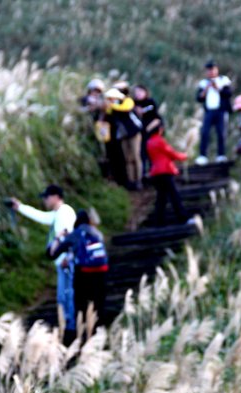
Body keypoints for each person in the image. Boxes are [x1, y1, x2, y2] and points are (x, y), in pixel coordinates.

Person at [9, 185, 77, 334]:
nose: (45, 200)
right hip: (63, 261)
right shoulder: (58, 213)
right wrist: (20, 207)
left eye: (46, 197)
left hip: (67, 261)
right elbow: (41, 216)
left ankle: (71, 327)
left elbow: (65, 235)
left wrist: (66, 256)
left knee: (67, 294)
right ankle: (68, 324)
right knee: (63, 295)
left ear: (55, 197)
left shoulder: (64, 212)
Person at [47, 209, 108, 338]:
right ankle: (99, 332)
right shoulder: (97, 234)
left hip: (84, 274)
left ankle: (80, 332)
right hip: (101, 273)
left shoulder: (75, 234)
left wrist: (58, 238)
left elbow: (53, 254)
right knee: (98, 304)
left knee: (80, 304)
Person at [145, 118, 189, 224]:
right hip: (165, 172)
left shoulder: (149, 142)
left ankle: (159, 221)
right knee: (174, 195)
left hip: (155, 173)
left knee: (161, 197)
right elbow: (171, 153)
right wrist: (184, 156)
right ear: (159, 130)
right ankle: (182, 218)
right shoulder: (160, 141)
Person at [105, 88, 144, 190]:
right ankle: (131, 181)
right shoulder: (113, 106)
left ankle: (138, 180)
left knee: (136, 156)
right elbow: (108, 113)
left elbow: (126, 108)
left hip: (134, 132)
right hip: (123, 135)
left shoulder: (126, 101)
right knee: (127, 159)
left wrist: (112, 105)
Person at [195, 60, 233, 165]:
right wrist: (206, 90)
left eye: (213, 69)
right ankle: (202, 156)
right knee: (205, 132)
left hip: (220, 111)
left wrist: (218, 88)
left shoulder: (223, 80)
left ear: (217, 70)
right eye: (209, 70)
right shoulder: (203, 83)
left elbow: (229, 93)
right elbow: (198, 98)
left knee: (221, 133)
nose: (211, 72)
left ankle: (221, 155)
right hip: (209, 111)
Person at [133, 85, 159, 175]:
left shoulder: (150, 102)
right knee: (141, 153)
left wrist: (148, 129)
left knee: (152, 153)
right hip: (139, 133)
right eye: (136, 92)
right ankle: (143, 173)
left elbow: (157, 118)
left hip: (151, 132)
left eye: (140, 91)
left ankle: (154, 171)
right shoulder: (133, 103)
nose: (138, 94)